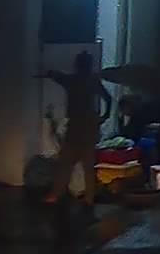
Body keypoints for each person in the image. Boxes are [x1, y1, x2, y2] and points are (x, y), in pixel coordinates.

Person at [42, 50, 111, 208]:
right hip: (89, 125)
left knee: (65, 162)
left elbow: (57, 76)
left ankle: (56, 194)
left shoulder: (72, 80)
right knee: (87, 165)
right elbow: (108, 98)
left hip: (77, 125)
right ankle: (88, 198)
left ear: (77, 65)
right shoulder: (92, 80)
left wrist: (50, 72)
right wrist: (104, 116)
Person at [117, 94, 160, 163]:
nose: (124, 113)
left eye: (122, 110)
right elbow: (132, 129)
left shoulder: (139, 111)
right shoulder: (142, 105)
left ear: (127, 106)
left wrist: (120, 139)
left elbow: (133, 132)